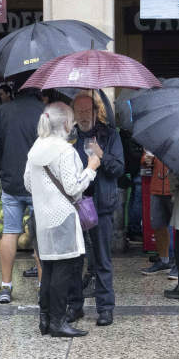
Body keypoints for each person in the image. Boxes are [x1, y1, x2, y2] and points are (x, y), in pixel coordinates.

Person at [24, 101, 99, 338]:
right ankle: (57, 322)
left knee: (48, 269)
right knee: (64, 271)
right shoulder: (65, 151)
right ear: (67, 123)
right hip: (63, 217)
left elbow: (27, 182)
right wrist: (91, 168)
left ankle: (45, 320)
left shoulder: (37, 147)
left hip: (43, 218)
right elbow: (73, 187)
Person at [67, 93, 124, 327]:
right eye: (78, 112)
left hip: (101, 206)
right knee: (74, 260)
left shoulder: (110, 135)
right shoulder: (69, 137)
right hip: (75, 206)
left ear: (94, 111)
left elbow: (119, 168)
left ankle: (105, 308)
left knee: (102, 259)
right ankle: (75, 306)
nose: (82, 116)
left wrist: (102, 155)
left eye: (86, 111)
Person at [0, 86, 45, 303]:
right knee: (40, 236)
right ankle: (42, 286)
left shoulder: (4, 111)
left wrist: (2, 173)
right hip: (38, 184)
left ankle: (6, 286)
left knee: (10, 232)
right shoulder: (44, 111)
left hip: (11, 182)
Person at [141, 153, 176, 276]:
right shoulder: (156, 137)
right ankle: (164, 261)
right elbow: (145, 159)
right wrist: (147, 160)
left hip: (176, 187)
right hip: (156, 187)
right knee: (158, 225)